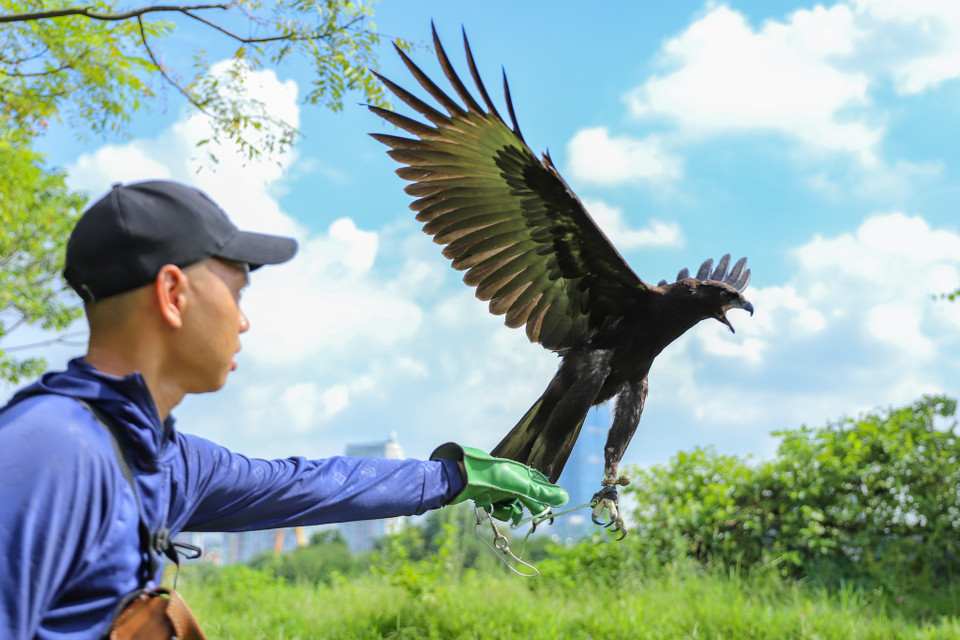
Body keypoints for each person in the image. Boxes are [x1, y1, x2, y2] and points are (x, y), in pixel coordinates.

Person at [0, 180, 568, 640]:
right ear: (174, 294)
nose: (244, 321)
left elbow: (307, 486)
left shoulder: (157, 455)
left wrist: (456, 476)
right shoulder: (50, 450)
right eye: (238, 291)